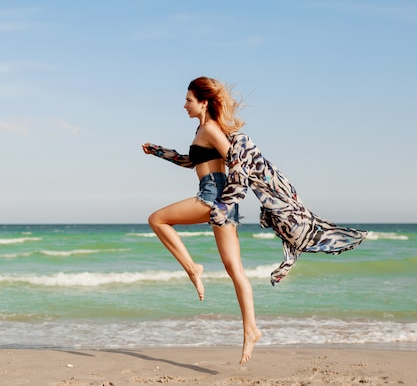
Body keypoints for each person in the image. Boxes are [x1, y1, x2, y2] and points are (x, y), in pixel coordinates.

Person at [142, 76, 261, 364]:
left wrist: (226, 200)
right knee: (235, 269)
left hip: (213, 197)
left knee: (157, 219)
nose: (184, 105)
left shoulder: (209, 128)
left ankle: (193, 268)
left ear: (204, 101)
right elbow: (190, 161)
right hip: (220, 201)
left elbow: (236, 160)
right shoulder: (202, 129)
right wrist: (158, 151)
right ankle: (251, 329)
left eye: (188, 100)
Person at [210, 134, 367, 285]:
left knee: (294, 229)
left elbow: (240, 180)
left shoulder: (240, 144)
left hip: (280, 197)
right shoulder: (287, 213)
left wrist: (223, 207)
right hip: (280, 195)